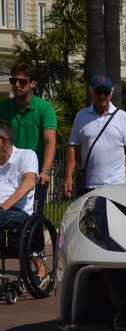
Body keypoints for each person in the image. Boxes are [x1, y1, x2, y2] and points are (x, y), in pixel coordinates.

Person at [63, 73, 126, 197]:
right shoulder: (81, 116)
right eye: (98, 91)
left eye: (106, 92)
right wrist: (68, 176)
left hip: (116, 185)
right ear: (91, 93)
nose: (102, 96)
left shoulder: (122, 116)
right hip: (89, 185)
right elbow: (73, 148)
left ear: (111, 94)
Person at [0, 62, 57, 215]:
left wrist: (45, 170)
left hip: (34, 173)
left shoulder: (44, 108)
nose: (16, 84)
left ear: (32, 84)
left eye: (22, 81)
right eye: (13, 81)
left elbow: (50, 142)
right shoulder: (3, 108)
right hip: (8, 172)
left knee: (33, 217)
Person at [0, 120, 49, 288]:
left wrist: (4, 206)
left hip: (19, 213)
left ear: (3, 141)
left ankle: (40, 270)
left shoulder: (26, 155)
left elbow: (29, 183)